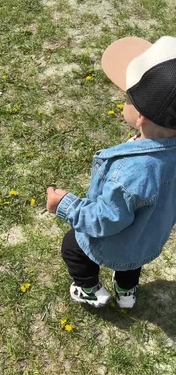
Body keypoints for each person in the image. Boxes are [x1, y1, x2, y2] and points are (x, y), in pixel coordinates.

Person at [46, 36, 176, 309]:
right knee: (132, 261)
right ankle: (126, 291)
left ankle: (89, 288)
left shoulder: (133, 172)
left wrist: (66, 205)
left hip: (114, 241)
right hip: (146, 239)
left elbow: (106, 219)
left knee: (73, 246)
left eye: (126, 98)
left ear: (140, 116)